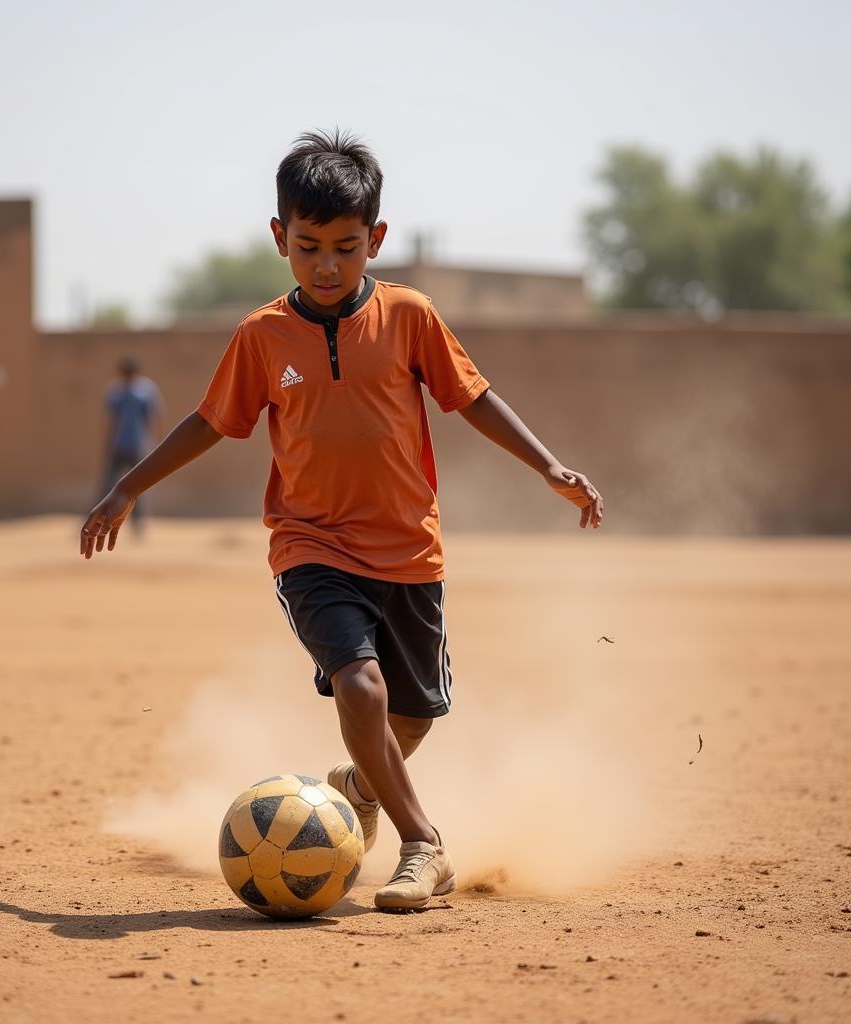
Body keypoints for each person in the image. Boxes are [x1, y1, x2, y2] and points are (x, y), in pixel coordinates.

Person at [80, 130, 603, 911]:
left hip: (409, 551)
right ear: (279, 238)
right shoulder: (263, 336)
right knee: (360, 688)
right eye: (309, 246)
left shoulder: (410, 317)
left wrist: (549, 465)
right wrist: (127, 486)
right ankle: (424, 844)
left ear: (377, 240)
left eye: (347, 248)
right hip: (311, 545)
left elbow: (474, 397)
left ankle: (359, 785)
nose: (327, 265)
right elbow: (210, 420)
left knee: (412, 718)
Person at [101, 355, 164, 532]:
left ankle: (138, 524)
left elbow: (152, 417)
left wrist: (153, 442)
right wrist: (108, 443)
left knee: (138, 486)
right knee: (108, 485)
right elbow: (112, 421)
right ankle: (101, 518)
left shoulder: (145, 391)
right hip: (119, 445)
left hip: (138, 444)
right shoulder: (116, 391)